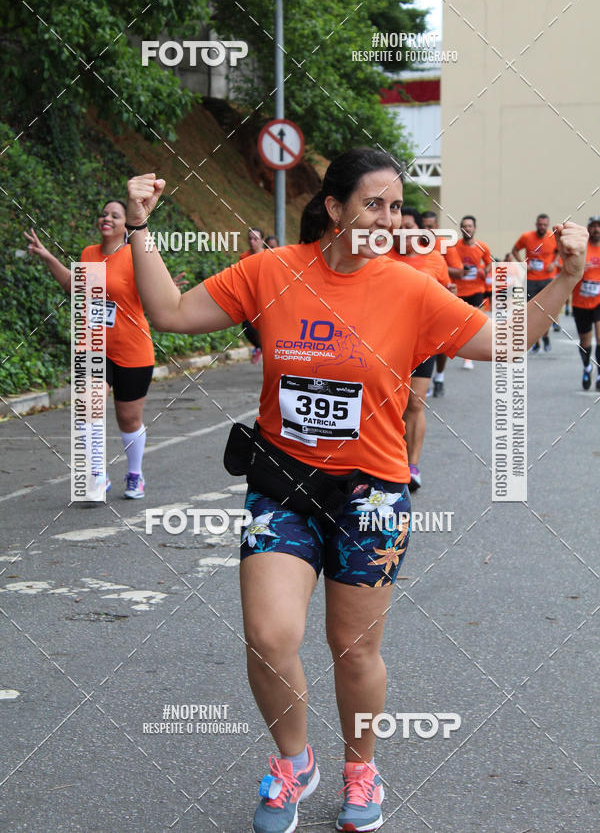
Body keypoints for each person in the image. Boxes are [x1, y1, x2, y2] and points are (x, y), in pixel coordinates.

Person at [124, 150, 587, 833]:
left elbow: (507, 340)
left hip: (371, 497)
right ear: (334, 208)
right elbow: (167, 311)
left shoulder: (409, 288)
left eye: (396, 207)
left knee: (355, 648)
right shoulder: (271, 272)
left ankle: (360, 768)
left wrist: (568, 277)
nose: (388, 219)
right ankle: (294, 763)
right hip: (284, 485)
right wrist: (139, 227)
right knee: (268, 636)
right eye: (374, 204)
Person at [25, 201, 186, 500]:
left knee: (129, 419)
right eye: (103, 214)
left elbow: (158, 295)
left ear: (126, 225)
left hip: (133, 349)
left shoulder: (136, 256)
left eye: (115, 215)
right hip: (93, 346)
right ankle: (97, 474)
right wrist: (48, 256)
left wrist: (168, 290)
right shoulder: (88, 254)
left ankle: (135, 474)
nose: (107, 218)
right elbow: (74, 286)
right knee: (89, 406)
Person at [388, 211, 456, 492]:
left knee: (415, 403)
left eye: (409, 227)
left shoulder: (435, 259)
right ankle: (388, 461)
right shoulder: (379, 257)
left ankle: (412, 466)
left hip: (423, 342)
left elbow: (447, 293)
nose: (404, 232)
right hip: (387, 342)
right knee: (387, 405)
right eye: (400, 227)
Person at [422, 210, 465, 397]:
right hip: (420, 305)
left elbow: (459, 271)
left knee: (441, 345)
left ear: (436, 227)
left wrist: (438, 266)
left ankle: (439, 377)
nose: (426, 230)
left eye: (430, 226)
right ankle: (420, 382)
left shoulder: (444, 245)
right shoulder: (411, 245)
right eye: (423, 226)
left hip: (443, 301)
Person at [510, 213, 559, 353]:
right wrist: (522, 263)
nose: (542, 227)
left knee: (546, 311)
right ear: (536, 224)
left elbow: (560, 251)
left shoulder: (552, 237)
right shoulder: (527, 237)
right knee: (532, 311)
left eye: (545, 225)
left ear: (548, 225)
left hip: (547, 279)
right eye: (540, 224)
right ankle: (536, 341)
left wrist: (554, 263)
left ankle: (546, 336)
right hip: (531, 279)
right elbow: (514, 250)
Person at [455, 216, 492, 369]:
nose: (467, 229)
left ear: (474, 228)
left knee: (473, 322)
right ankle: (461, 349)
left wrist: (485, 271)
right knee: (461, 323)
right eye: (464, 226)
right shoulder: (454, 246)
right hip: (459, 290)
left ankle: (468, 358)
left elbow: (489, 263)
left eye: (470, 226)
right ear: (461, 229)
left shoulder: (482, 247)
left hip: (477, 289)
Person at [572, 215, 600, 390]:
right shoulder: (580, 248)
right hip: (580, 303)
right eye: (593, 226)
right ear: (588, 229)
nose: (597, 229)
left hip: (599, 301)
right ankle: (587, 367)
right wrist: (580, 268)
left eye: (599, 226)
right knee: (585, 342)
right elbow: (566, 269)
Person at [239, 228, 265, 363]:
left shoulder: (269, 256)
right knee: (247, 327)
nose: (252, 242)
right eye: (250, 239)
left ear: (262, 241)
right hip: (250, 299)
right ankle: (260, 347)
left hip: (267, 299)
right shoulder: (244, 257)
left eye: (255, 239)